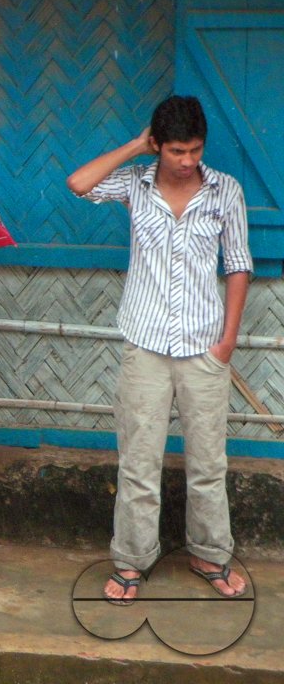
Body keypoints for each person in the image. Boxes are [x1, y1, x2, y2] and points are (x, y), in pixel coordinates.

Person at [66, 95, 252, 604]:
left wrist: (227, 342)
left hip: (203, 348)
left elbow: (238, 264)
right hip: (145, 345)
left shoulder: (225, 192)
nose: (187, 160)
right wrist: (134, 147)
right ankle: (131, 562)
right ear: (158, 145)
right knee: (139, 462)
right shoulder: (134, 184)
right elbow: (78, 184)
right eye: (175, 150)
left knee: (209, 463)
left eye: (194, 150)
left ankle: (210, 553)